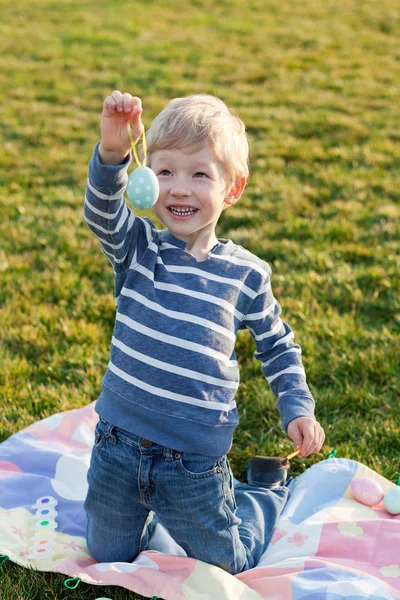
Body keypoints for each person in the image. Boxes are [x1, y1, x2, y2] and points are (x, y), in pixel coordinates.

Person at [83, 90, 325, 574]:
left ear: (232, 189)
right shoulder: (139, 249)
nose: (179, 189)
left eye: (199, 174)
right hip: (118, 446)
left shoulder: (246, 275)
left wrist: (296, 407)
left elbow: (278, 346)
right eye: (166, 171)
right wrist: (113, 152)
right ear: (147, 179)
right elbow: (102, 212)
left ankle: (259, 492)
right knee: (107, 554)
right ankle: (145, 515)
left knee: (228, 562)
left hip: (192, 462)